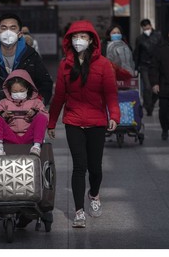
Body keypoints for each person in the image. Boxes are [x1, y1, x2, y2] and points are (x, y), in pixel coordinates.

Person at [47, 20, 120, 228]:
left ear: (91, 40)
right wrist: (51, 122)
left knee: (95, 168)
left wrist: (114, 116)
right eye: (75, 37)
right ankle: (79, 211)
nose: (79, 40)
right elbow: (59, 96)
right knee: (79, 167)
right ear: (70, 40)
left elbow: (111, 94)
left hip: (97, 122)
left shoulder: (104, 65)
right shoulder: (65, 65)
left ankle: (94, 195)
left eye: (83, 37)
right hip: (74, 122)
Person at [0, 69, 49, 158]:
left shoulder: (36, 102)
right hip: (11, 135)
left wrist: (34, 113)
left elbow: (46, 116)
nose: (18, 93)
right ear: (9, 90)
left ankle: (36, 147)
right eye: (15, 92)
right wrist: (3, 115)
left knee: (41, 117)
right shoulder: (4, 102)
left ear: (27, 89)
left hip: (29, 136)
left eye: (21, 90)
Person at [133, 18, 163, 116]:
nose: (146, 29)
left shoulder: (158, 36)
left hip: (157, 65)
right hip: (144, 65)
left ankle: (151, 104)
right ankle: (148, 106)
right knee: (147, 87)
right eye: (144, 28)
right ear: (142, 28)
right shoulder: (140, 39)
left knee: (158, 88)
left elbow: (163, 49)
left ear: (150, 25)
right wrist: (136, 67)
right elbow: (137, 53)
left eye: (147, 27)